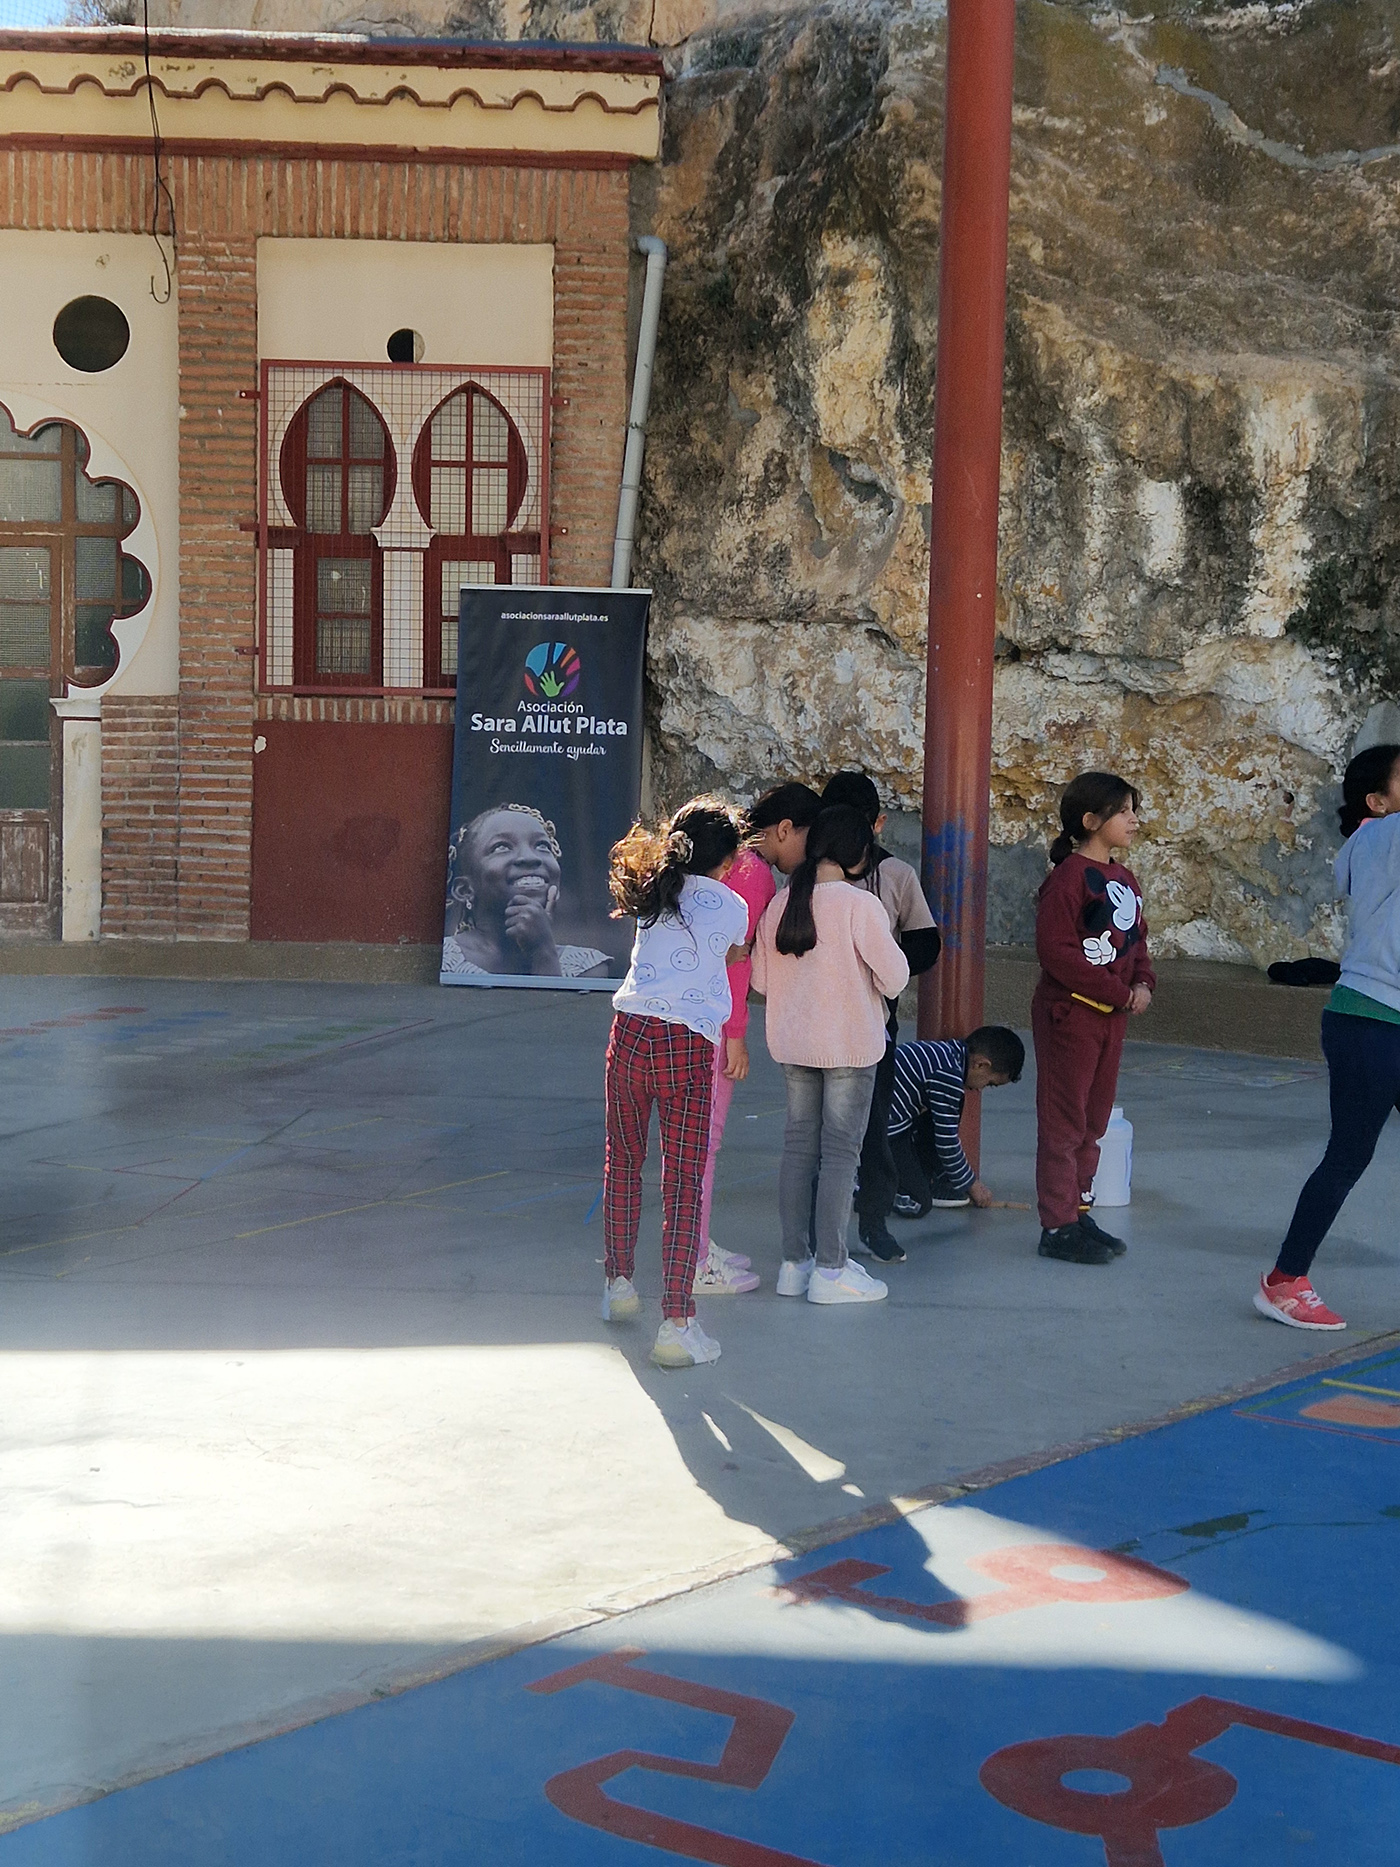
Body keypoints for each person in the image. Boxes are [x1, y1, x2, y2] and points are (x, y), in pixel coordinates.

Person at [601, 798, 750, 1370]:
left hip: (630, 1032)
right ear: (731, 859)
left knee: (624, 1162)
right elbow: (731, 952)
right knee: (684, 1182)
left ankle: (618, 1284)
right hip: (687, 1043)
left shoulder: (652, 892)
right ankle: (677, 1321)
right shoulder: (733, 905)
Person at [1256, 744, 1400, 1331]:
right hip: (1369, 1020)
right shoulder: (1382, 836)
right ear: (1379, 802)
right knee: (1348, 1157)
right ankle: (1284, 1282)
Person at [752, 805, 910, 1305]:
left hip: (793, 1045)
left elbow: (759, 982)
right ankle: (831, 1268)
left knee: (799, 1150)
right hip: (851, 1048)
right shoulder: (859, 906)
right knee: (842, 1154)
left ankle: (793, 1264)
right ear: (858, 852)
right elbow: (897, 977)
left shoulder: (780, 903)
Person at [818, 771, 941, 1264]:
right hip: (815, 1025)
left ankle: (873, 1220)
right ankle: (817, 1228)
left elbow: (927, 943)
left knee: (871, 1127)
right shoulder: (808, 882)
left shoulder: (896, 877)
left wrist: (878, 960)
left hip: (874, 1025)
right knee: (814, 1134)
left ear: (878, 825)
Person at [1033, 771, 1155, 1265]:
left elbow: (1136, 939)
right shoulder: (1066, 881)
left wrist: (1143, 982)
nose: (1134, 820)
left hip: (1112, 1016)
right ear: (1090, 821)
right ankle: (1056, 1224)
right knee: (1064, 1120)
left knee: (1094, 1119)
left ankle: (1079, 1209)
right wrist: (1118, 992)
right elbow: (1057, 953)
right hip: (1072, 1015)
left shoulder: (1123, 878)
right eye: (1123, 811)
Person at [692, 830, 776, 1297]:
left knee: (682, 1147)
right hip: (711, 1031)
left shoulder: (671, 897)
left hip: (654, 1032)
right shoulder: (750, 878)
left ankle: (696, 1245)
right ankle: (695, 1259)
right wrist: (737, 1036)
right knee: (703, 1143)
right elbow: (735, 968)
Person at [442, 805, 610, 980]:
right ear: (465, 890)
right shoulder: (441, 964)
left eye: (542, 846)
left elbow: (555, 1008)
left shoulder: (586, 967)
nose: (530, 857)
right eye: (501, 847)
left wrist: (543, 952)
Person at [887, 1026, 1026, 1215]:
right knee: (918, 1203)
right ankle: (869, 1185)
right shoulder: (949, 1076)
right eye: (990, 1083)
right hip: (885, 1130)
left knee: (951, 1106)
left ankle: (929, 1176)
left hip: (888, 1118)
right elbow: (947, 1142)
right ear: (980, 1065)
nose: (980, 1089)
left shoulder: (947, 1054)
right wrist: (972, 1184)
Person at [746, 781, 825, 877]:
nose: (812, 851)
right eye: (810, 840)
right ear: (784, 830)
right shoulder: (757, 876)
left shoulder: (735, 856)